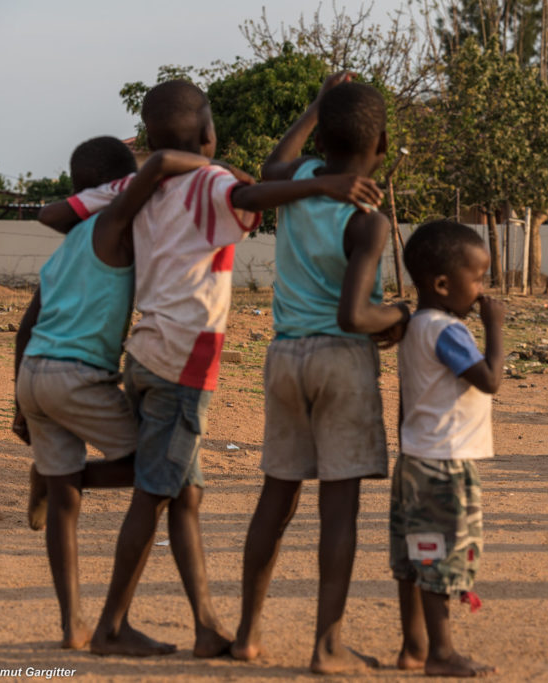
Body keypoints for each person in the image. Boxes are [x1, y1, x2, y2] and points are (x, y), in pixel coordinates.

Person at [52, 80, 384, 658]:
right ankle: (110, 625)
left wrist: (155, 167)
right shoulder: (211, 182)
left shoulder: (140, 184)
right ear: (208, 134)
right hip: (188, 362)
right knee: (155, 495)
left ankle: (214, 628)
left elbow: (60, 213)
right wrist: (329, 181)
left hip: (152, 353)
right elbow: (254, 196)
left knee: (189, 495)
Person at [230, 76, 403, 675]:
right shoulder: (367, 219)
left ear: (320, 140)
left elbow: (266, 169)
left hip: (285, 357)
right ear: (380, 144)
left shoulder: (297, 182)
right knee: (339, 510)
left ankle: (248, 633)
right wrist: (401, 316)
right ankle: (326, 645)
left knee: (275, 497)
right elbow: (357, 315)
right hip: (341, 363)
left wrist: (312, 106)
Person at [13, 137, 211, 650]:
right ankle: (111, 625)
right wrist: (213, 168)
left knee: (64, 501)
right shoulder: (115, 224)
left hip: (35, 373)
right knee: (153, 471)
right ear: (119, 189)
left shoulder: (65, 251)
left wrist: (19, 405)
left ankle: (71, 625)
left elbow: (25, 327)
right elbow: (164, 163)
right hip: (77, 377)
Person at [392, 220, 502, 677]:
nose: (481, 292)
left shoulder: (414, 326)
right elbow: (489, 380)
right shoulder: (448, 331)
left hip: (415, 458)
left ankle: (413, 647)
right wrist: (495, 328)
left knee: (415, 556)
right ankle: (439, 652)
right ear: (442, 283)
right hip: (447, 463)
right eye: (476, 279)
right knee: (438, 554)